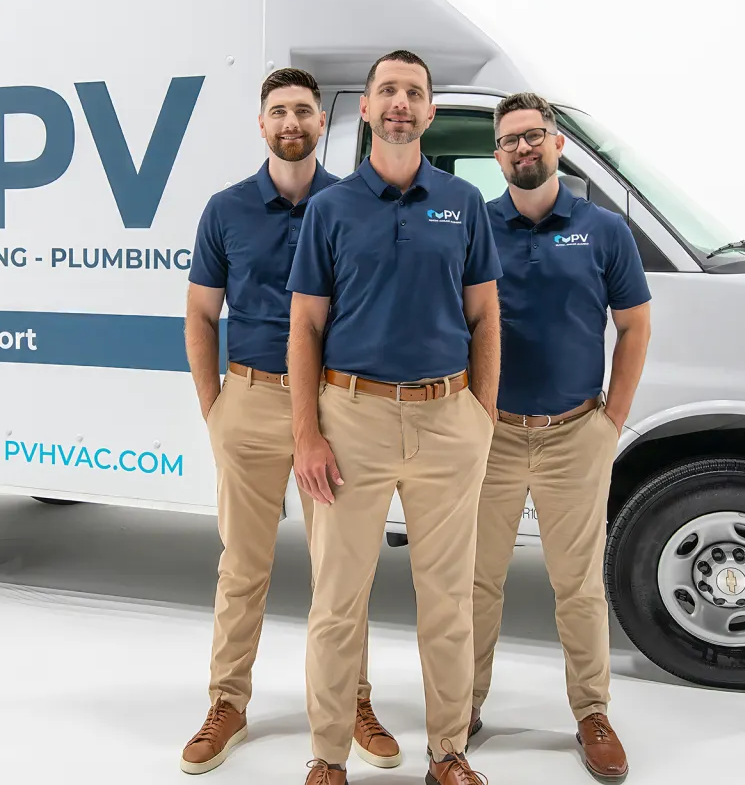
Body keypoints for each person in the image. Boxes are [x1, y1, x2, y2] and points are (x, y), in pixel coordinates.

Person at [285, 50, 503, 785]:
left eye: (413, 92)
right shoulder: (331, 208)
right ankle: (327, 756)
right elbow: (305, 326)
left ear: (430, 111)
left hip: (447, 420)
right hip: (353, 420)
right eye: (388, 91)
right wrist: (307, 434)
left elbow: (485, 315)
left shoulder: (464, 203)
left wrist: (481, 417)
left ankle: (448, 753)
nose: (400, 102)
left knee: (448, 601)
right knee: (337, 601)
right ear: (369, 108)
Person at [180, 67, 402, 775]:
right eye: (278, 111)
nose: (291, 122)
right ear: (262, 123)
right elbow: (200, 313)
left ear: (321, 121)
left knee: (343, 572)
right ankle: (227, 703)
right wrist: (215, 407)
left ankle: (352, 702)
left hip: (333, 409)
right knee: (242, 566)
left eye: (303, 110)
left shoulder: (353, 204)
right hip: (248, 401)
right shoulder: (225, 210)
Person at [469, 92, 652, 783]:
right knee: (475, 582)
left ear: (558, 144)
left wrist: (611, 423)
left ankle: (592, 714)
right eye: (510, 139)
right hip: (491, 438)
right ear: (496, 155)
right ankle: (463, 705)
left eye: (534, 135)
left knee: (577, 586)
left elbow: (634, 326)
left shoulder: (604, 231)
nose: (524, 147)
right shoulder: (475, 227)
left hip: (575, 434)